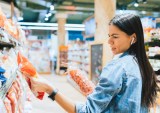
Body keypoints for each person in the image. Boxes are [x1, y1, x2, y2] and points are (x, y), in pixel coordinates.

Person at [30, 13, 159, 113]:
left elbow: (88, 111)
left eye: (115, 36)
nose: (109, 41)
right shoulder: (142, 65)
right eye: (109, 35)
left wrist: (50, 90)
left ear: (133, 38)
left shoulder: (117, 67)